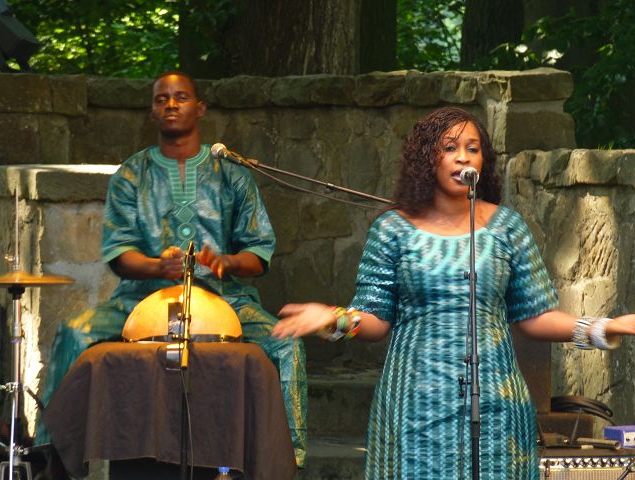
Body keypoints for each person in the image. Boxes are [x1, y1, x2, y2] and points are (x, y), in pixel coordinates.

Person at [272, 106, 635, 479]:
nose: (463, 157)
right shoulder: (392, 229)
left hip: (495, 403)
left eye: (472, 148)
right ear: (426, 158)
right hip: (414, 405)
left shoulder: (507, 227)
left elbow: (535, 317)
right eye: (450, 147)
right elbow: (375, 320)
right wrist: (334, 320)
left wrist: (603, 328)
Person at [37, 71, 307, 467]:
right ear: (152, 111)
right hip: (141, 299)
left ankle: (287, 462)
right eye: (161, 99)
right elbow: (119, 252)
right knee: (75, 333)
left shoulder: (233, 173)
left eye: (181, 97)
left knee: (287, 345)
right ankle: (51, 457)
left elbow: (258, 252)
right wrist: (156, 266)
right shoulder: (132, 173)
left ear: (200, 108)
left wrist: (226, 261)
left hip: (224, 299)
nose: (171, 105)